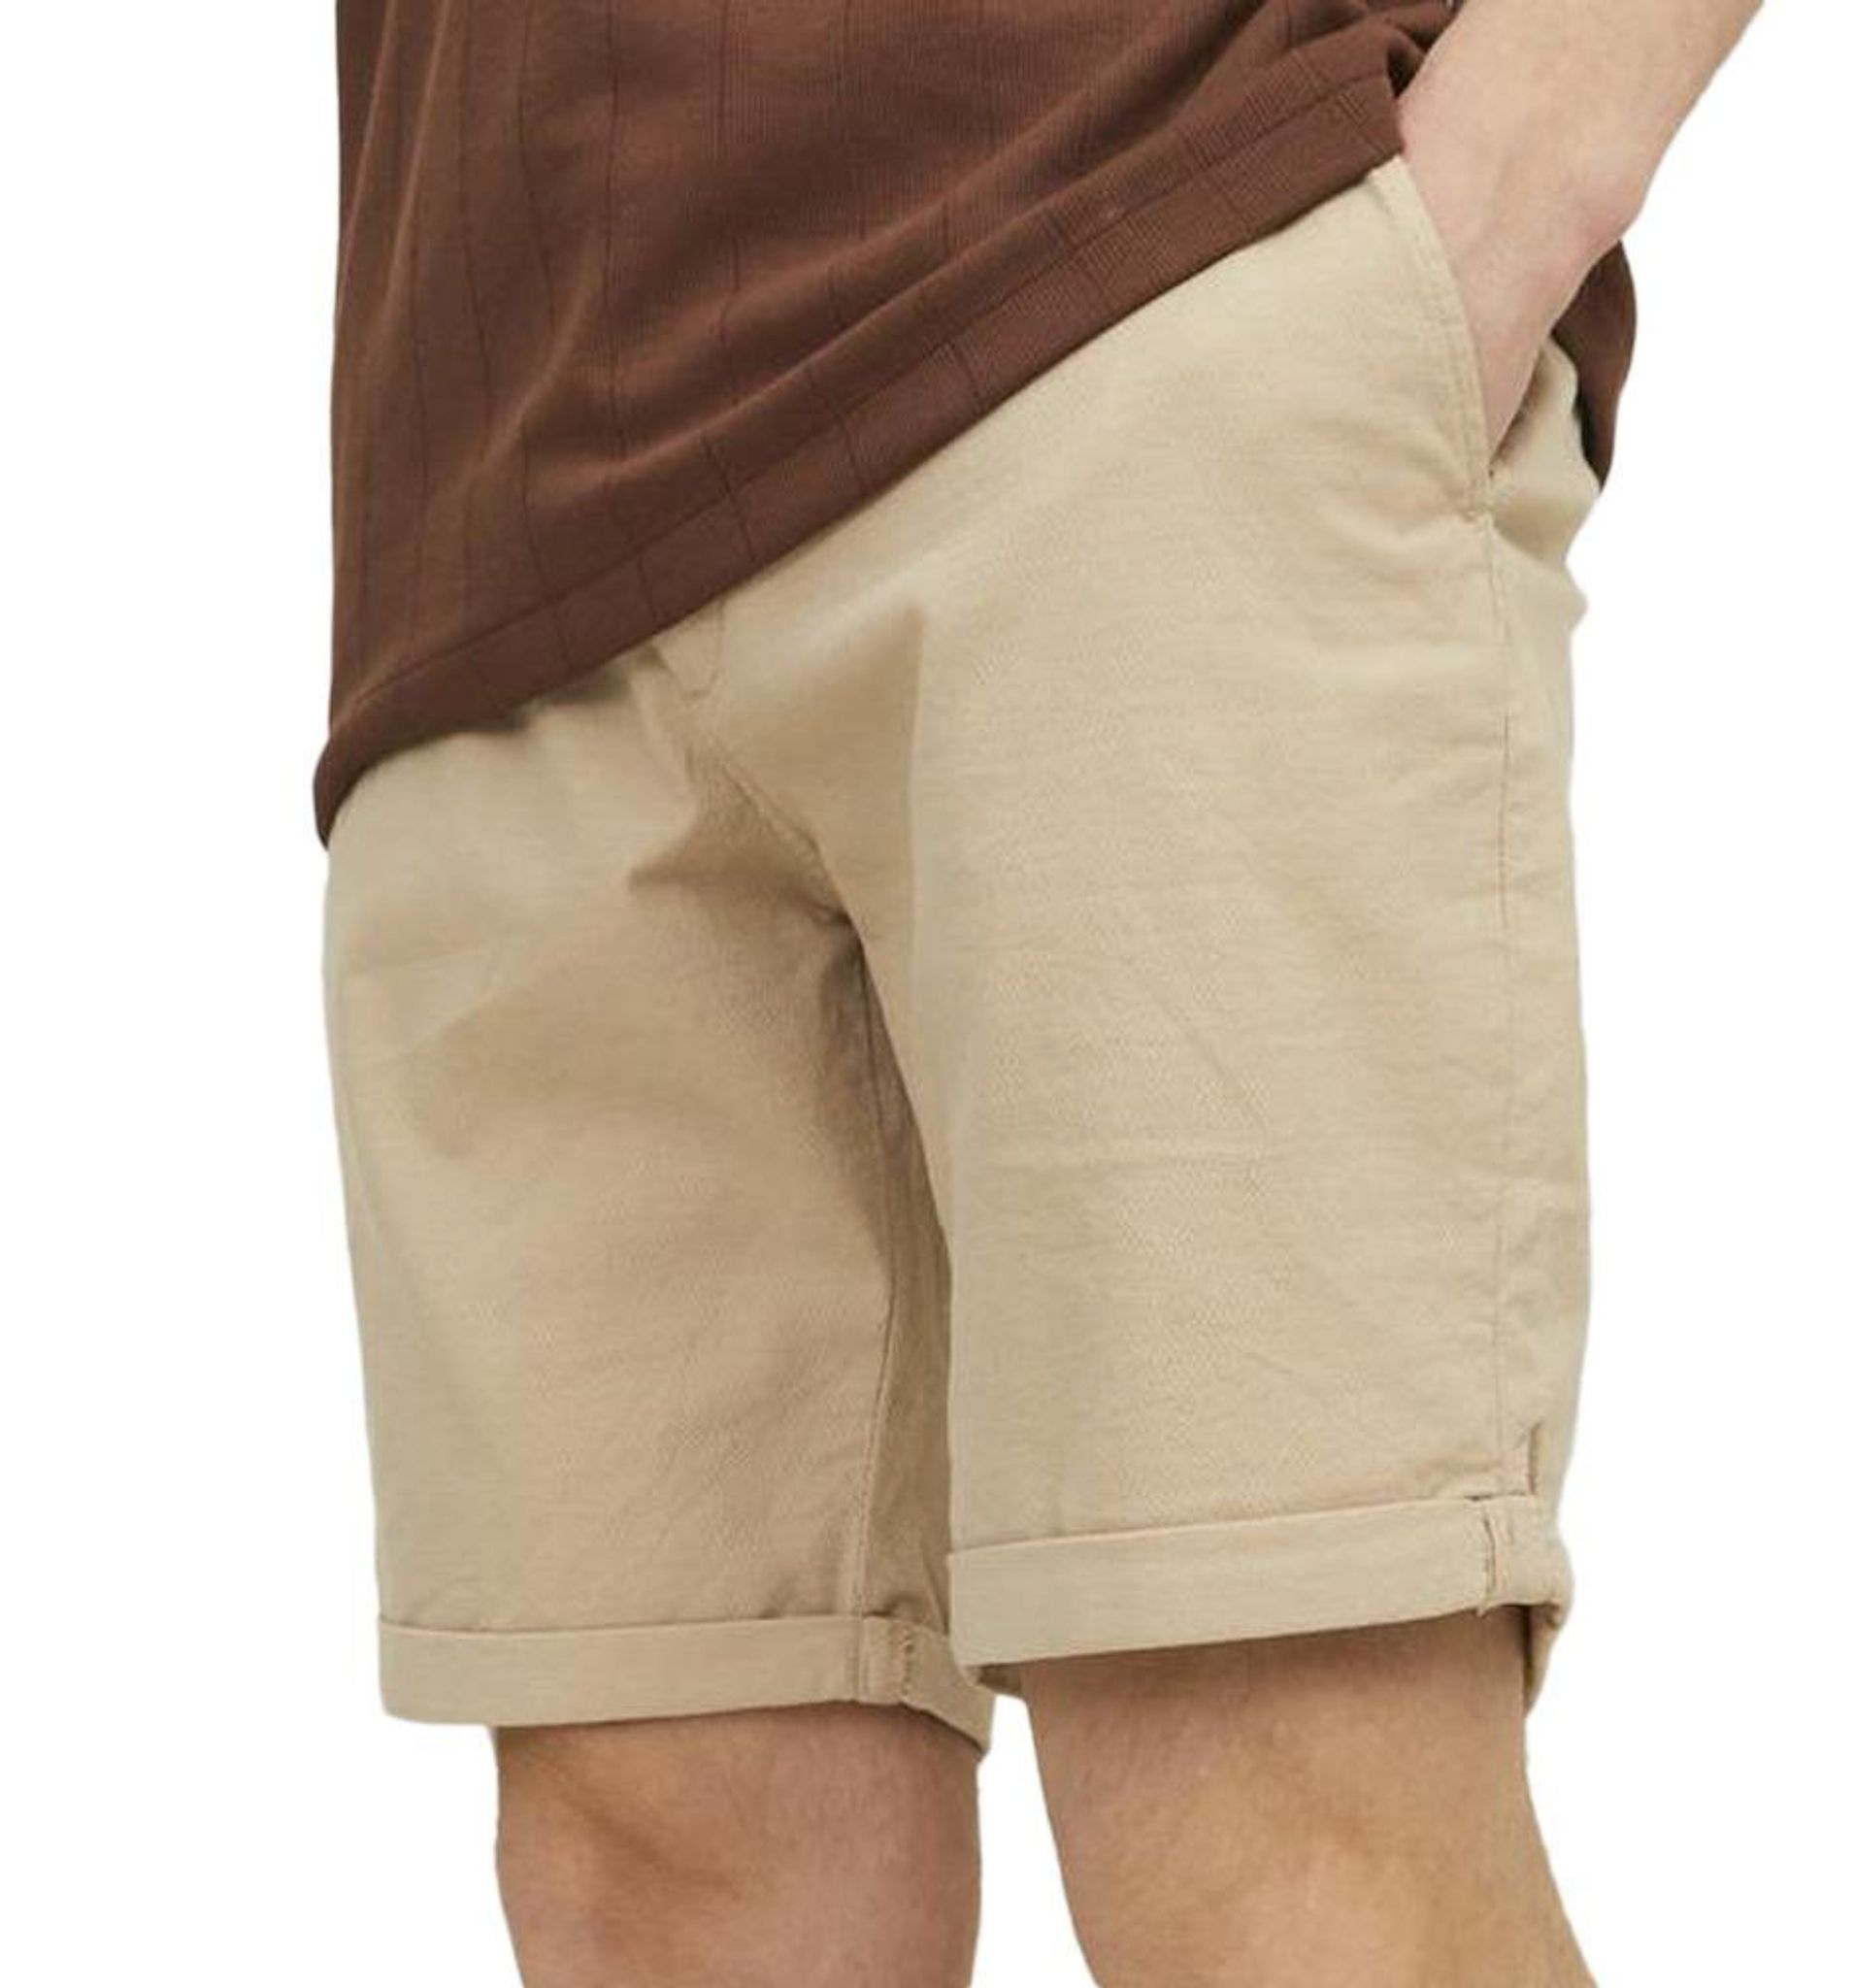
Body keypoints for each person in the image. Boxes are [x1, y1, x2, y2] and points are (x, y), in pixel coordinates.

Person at [317, 0, 1755, 1978]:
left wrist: (1524, 168)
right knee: (664, 1867)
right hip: (499, 500)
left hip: (1137, 251)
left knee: (1277, 1813)